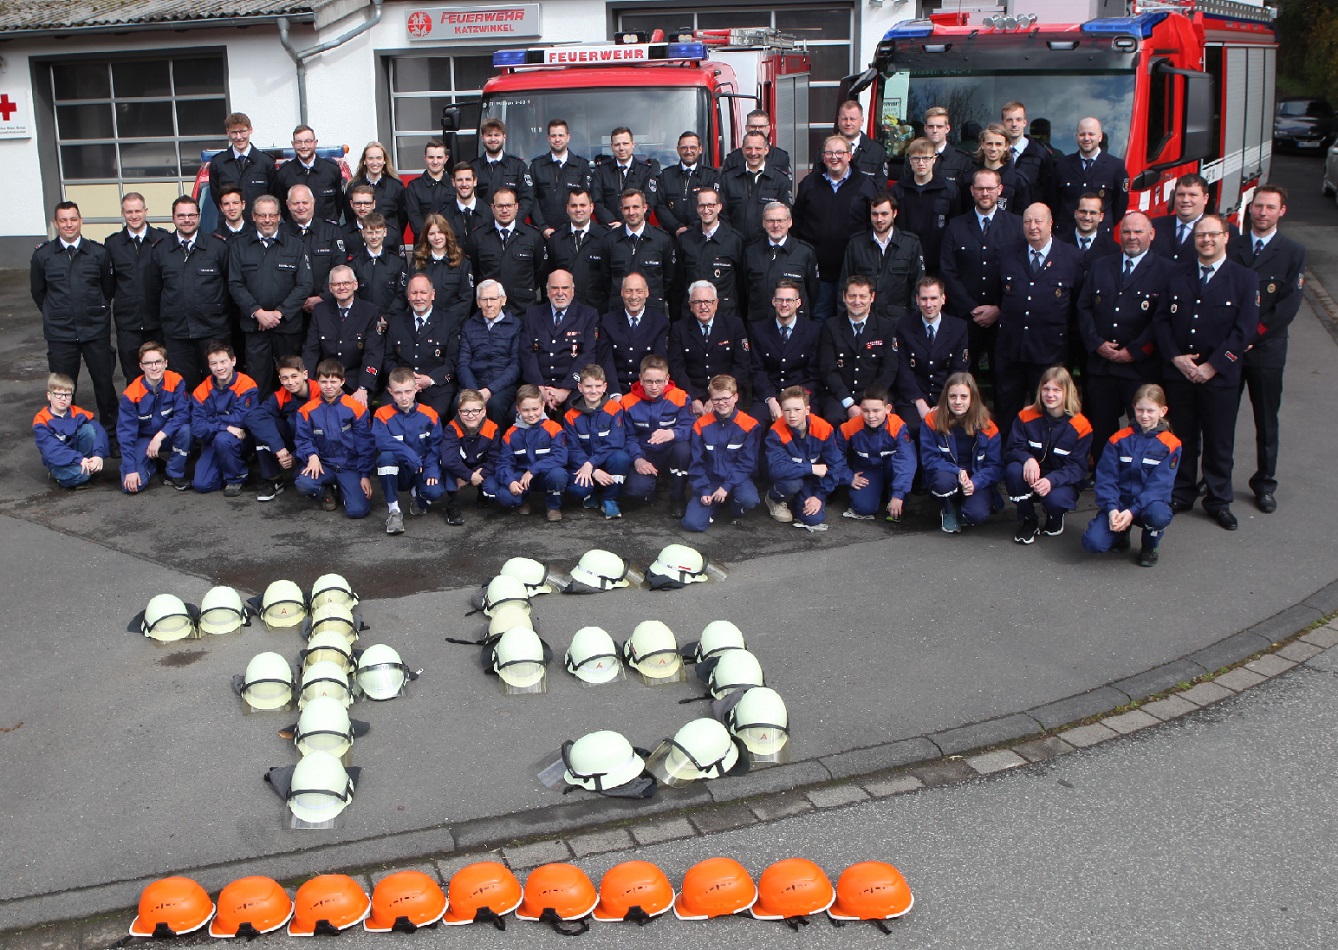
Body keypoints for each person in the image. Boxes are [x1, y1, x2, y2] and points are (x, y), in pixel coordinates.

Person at [1156, 214, 1258, 530]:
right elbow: (1161, 321)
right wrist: (1176, 358)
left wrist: (1214, 365)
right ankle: (1182, 492)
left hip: (1220, 376)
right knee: (1182, 437)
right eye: (1201, 235)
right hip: (1181, 375)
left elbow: (1245, 330)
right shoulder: (1177, 275)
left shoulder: (1244, 279)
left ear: (1226, 237)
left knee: (1219, 440)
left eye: (1213, 235)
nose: (1206, 240)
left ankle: (1217, 499)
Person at [1228, 185, 1304, 514]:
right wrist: (1234, 337)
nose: (1262, 213)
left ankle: (1264, 482)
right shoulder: (1235, 245)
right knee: (1220, 420)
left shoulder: (1292, 251)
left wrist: (1252, 335)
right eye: (1258, 206)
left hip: (1266, 350)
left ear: (1281, 212)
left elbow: (1287, 306)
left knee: (1265, 421)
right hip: (1230, 349)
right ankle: (1216, 478)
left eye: (1270, 208)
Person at [1076, 211, 1170, 467]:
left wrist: (1137, 351)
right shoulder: (1101, 265)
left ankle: (1140, 472)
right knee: (1101, 424)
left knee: (1143, 424)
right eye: (1126, 232)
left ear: (1151, 234)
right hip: (1102, 365)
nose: (1132, 237)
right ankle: (1104, 473)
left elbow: (1161, 319)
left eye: (1138, 232)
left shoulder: (1166, 270)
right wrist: (1096, 343)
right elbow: (1083, 308)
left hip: (1140, 366)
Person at [31, 201, 118, 449]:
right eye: (63, 220)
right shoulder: (43, 255)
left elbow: (107, 289)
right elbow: (39, 293)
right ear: (56, 224)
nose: (69, 224)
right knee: (63, 389)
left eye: (73, 219)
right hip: (61, 333)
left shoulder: (98, 253)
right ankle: (68, 437)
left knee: (104, 383)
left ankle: (112, 436)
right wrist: (56, 314)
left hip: (94, 331)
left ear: (80, 221)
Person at [994, 202, 1084, 429]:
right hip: (1011, 349)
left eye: (1038, 221)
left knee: (1047, 412)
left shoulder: (1071, 257)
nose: (1032, 226)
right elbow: (999, 295)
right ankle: (1007, 458)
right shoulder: (1007, 253)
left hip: (1048, 351)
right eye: (1027, 221)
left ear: (1050, 223)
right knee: (1006, 409)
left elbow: (1078, 303)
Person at [939, 168, 1024, 384]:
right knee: (964, 378)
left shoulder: (1016, 225)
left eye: (990, 188)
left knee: (1004, 379)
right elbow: (948, 271)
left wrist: (999, 307)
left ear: (1000, 190)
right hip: (966, 317)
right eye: (980, 189)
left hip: (1003, 316)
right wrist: (971, 308)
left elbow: (1021, 272)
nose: (985, 193)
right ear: (971, 191)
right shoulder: (956, 226)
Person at [1082, 383, 1180, 566]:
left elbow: (1159, 486)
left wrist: (1132, 511)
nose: (1144, 415)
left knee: (1158, 516)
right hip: (1120, 502)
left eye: (1150, 411)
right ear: (1133, 408)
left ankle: (1150, 545)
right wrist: (1112, 509)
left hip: (1149, 504)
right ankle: (1121, 533)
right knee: (1092, 543)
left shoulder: (1171, 444)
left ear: (1162, 411)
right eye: (1140, 409)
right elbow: (1106, 478)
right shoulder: (1118, 439)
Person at [228, 194, 314, 398]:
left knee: (291, 381)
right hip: (255, 328)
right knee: (258, 384)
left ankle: (293, 424)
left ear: (279, 216)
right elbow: (234, 284)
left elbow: (305, 284)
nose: (267, 220)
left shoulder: (295, 245)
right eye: (262, 215)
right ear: (253, 217)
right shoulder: (240, 246)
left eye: (272, 215)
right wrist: (257, 312)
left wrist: (279, 314)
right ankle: (261, 425)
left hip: (288, 328)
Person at [144, 196, 233, 392]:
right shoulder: (160, 250)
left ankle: (217, 422)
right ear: (173, 218)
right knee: (184, 386)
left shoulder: (217, 247)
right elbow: (153, 291)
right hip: (177, 333)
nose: (187, 220)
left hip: (213, 331)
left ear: (199, 216)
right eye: (181, 215)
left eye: (191, 215)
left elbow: (230, 288)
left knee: (218, 385)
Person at [1003, 367, 1093, 544]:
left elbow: (1077, 468)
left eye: (1057, 390)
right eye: (1046, 389)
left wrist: (1052, 480)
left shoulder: (1081, 425)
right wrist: (1027, 458)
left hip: (1060, 482)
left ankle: (1055, 515)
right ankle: (1029, 519)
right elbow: (1012, 449)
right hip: (1031, 476)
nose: (1050, 394)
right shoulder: (1026, 415)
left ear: (1067, 392)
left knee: (1056, 501)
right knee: (1013, 470)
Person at [793, 136, 878, 322]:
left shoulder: (865, 185)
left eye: (840, 153)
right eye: (829, 153)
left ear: (850, 155)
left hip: (853, 271)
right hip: (818, 272)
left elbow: (872, 225)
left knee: (850, 320)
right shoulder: (809, 184)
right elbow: (796, 222)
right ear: (823, 157)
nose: (834, 157)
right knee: (819, 319)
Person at [919, 371, 1001, 533]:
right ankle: (947, 508)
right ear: (946, 398)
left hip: (975, 477)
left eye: (964, 397)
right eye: (952, 396)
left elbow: (995, 467)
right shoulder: (931, 420)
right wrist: (957, 471)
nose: (958, 402)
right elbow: (929, 459)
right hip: (948, 474)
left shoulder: (988, 426)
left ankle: (964, 506)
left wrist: (975, 483)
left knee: (977, 515)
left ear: (972, 399)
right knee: (943, 482)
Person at [293, 359, 374, 517]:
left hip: (349, 466)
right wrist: (312, 456)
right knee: (304, 484)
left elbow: (366, 444)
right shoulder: (306, 410)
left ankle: (345, 489)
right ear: (317, 382)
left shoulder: (356, 408)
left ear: (342, 381)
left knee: (357, 511)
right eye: (323, 381)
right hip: (323, 465)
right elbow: (303, 439)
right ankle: (325, 490)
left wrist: (365, 475)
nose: (328, 386)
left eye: (333, 381)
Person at [762, 386, 850, 532]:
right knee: (792, 485)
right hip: (790, 479)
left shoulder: (823, 428)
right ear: (781, 411)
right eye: (787, 410)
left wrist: (818, 496)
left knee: (813, 519)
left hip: (812, 481)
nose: (792, 415)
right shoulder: (776, 431)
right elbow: (776, 469)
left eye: (797, 409)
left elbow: (835, 465)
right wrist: (810, 468)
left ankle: (799, 501)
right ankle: (774, 498)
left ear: (807, 410)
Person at [682, 374, 762, 531]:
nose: (721, 403)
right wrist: (703, 490)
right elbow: (697, 463)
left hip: (737, 479)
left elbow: (747, 464)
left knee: (748, 499)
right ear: (710, 400)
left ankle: (733, 508)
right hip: (710, 481)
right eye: (716, 399)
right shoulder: (701, 424)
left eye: (726, 398)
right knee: (692, 524)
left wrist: (726, 487)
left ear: (735, 397)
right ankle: (713, 504)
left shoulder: (750, 425)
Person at [893, 276, 969, 438]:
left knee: (953, 429)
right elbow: (903, 370)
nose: (929, 304)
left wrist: (943, 404)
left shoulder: (958, 328)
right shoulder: (904, 326)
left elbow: (958, 371)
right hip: (913, 398)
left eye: (934, 298)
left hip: (947, 396)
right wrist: (920, 403)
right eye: (924, 299)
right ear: (917, 300)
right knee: (912, 428)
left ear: (943, 299)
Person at [106, 193, 170, 383]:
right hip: (129, 324)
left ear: (146, 211)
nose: (134, 216)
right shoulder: (113, 244)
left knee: (162, 373)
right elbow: (107, 285)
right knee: (133, 375)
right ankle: (137, 411)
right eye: (129, 212)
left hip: (159, 321)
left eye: (138, 211)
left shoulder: (163, 240)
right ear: (123, 214)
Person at [374, 366, 445, 534]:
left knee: (435, 492)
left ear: (416, 389)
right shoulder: (382, 414)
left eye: (408, 391)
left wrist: (432, 471)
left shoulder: (429, 414)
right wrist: (408, 454)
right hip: (399, 471)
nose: (404, 397)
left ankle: (417, 495)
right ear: (390, 392)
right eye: (398, 392)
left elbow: (435, 446)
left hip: (421, 469)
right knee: (385, 458)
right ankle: (394, 511)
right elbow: (381, 441)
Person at [620, 354, 693, 517]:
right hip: (645, 453)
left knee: (684, 450)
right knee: (636, 491)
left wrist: (672, 433)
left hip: (670, 451)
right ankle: (651, 488)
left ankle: (678, 498)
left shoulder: (680, 397)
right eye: (648, 381)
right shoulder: (627, 401)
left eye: (659, 381)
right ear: (640, 378)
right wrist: (638, 460)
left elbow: (691, 428)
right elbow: (627, 437)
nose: (654, 387)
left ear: (667, 378)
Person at [520, 269, 601, 413]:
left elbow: (588, 355)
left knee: (575, 411)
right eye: (555, 288)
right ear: (546, 290)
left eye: (565, 288)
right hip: (539, 386)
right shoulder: (533, 314)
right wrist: (540, 388)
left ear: (573, 290)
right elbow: (527, 353)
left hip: (573, 385)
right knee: (518, 413)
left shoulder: (588, 315)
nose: (560, 293)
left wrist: (565, 389)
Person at [838, 192, 925, 324]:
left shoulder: (911, 244)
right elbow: (844, 286)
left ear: (894, 213)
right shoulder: (856, 244)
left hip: (900, 321)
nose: (879, 219)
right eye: (874, 214)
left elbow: (918, 287)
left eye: (884, 214)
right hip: (864, 320)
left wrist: (915, 322)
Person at [301, 265, 384, 405]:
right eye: (336, 284)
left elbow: (373, 354)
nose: (341, 287)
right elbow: (311, 350)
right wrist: (308, 384)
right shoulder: (320, 311)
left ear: (355, 285)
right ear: (330, 288)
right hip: (325, 381)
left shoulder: (370, 312)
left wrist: (363, 388)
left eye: (346, 283)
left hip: (355, 382)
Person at [383, 274, 461, 418]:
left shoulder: (448, 322)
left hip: (436, 387)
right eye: (414, 293)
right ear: (408, 296)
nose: (418, 298)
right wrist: (405, 380)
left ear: (433, 294)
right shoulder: (397, 322)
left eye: (423, 292)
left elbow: (453, 361)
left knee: (435, 415)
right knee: (387, 413)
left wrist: (430, 380)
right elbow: (388, 359)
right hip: (401, 386)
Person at [117, 341, 191, 494]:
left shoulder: (176, 381)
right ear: (141, 366)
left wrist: (159, 437)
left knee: (186, 430)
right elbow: (126, 434)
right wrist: (131, 469)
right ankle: (153, 465)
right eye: (148, 363)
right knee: (132, 486)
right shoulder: (131, 394)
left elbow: (183, 414)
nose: (154, 367)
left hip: (166, 436)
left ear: (165, 363)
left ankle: (173, 473)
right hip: (143, 440)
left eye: (158, 362)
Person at [669, 281, 753, 415]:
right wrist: (693, 398)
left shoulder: (734, 325)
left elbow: (742, 365)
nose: (703, 306)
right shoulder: (679, 329)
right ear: (690, 306)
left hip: (728, 395)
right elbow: (676, 368)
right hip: (692, 394)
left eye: (708, 301)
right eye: (697, 302)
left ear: (716, 303)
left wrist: (718, 398)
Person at [838, 385, 917, 522]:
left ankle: (893, 494)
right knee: (862, 508)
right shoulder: (850, 427)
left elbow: (907, 461)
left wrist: (898, 495)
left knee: (897, 510)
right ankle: (876, 493)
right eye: (866, 411)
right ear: (860, 409)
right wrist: (848, 476)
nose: (871, 416)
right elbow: (835, 454)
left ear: (887, 409)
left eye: (876, 410)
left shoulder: (897, 426)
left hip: (892, 469)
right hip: (868, 469)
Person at [244, 354, 317, 502]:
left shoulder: (319, 393)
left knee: (302, 481)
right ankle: (273, 479)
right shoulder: (281, 395)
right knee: (264, 427)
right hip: (292, 441)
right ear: (280, 379)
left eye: (294, 376)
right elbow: (253, 416)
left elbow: (324, 434)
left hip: (315, 445)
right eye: (285, 378)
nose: (290, 382)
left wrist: (295, 456)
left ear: (305, 374)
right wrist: (279, 449)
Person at [563, 364, 631, 519]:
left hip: (606, 462)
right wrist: (591, 469)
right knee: (578, 490)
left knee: (621, 457)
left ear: (605, 386)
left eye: (598, 386)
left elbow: (615, 443)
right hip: (582, 465)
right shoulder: (570, 415)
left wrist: (591, 464)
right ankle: (590, 492)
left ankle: (609, 498)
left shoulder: (615, 409)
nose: (593, 391)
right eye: (588, 386)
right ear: (580, 387)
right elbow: (572, 449)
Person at [190, 342, 258, 495]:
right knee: (202, 485)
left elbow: (241, 419)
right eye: (214, 363)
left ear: (233, 361)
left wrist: (212, 420)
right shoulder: (201, 391)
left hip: (242, 438)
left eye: (223, 361)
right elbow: (197, 428)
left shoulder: (247, 385)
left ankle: (237, 477)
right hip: (214, 438)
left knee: (223, 439)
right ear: (209, 365)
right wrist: (224, 426)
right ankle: (227, 467)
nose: (219, 367)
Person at [495, 384, 569, 521]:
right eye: (525, 410)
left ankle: (553, 506)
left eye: (535, 409)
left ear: (543, 406)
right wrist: (510, 481)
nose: (531, 414)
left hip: (544, 475)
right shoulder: (510, 434)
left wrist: (533, 470)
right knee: (504, 496)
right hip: (522, 478)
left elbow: (561, 456)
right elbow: (503, 463)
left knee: (558, 474)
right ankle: (523, 501)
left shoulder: (554, 428)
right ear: (518, 409)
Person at [750, 279, 821, 421]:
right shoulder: (759, 330)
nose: (784, 304)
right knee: (755, 422)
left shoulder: (813, 330)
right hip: (770, 395)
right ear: (773, 302)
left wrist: (794, 404)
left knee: (812, 423)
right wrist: (771, 400)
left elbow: (814, 374)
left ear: (798, 303)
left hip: (802, 396)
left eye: (789, 300)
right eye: (780, 300)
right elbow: (757, 370)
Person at [468, 187, 546, 313]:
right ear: (492, 208)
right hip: (490, 311)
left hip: (522, 309)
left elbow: (539, 272)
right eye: (500, 206)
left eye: (509, 205)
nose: (504, 210)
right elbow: (474, 272)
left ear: (516, 207)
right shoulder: (478, 237)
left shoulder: (533, 236)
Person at [602, 189, 676, 315]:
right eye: (626, 208)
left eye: (635, 207)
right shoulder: (610, 241)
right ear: (621, 210)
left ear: (645, 207)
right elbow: (605, 278)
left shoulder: (662, 240)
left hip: (653, 312)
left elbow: (669, 279)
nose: (631, 212)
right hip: (619, 312)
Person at [742, 201, 820, 322]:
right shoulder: (751, 252)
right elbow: (745, 290)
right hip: (760, 325)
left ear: (790, 222)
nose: (776, 225)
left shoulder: (805, 252)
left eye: (780, 220)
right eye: (770, 221)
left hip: (796, 326)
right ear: (763, 223)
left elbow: (813, 292)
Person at [458, 279, 522, 423]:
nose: (489, 304)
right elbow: (463, 363)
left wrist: (490, 390)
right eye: (484, 299)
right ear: (478, 302)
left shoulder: (516, 325)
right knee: (459, 403)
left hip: (502, 386)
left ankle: (496, 444)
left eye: (493, 299)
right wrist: (474, 392)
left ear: (503, 300)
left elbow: (516, 365)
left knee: (495, 405)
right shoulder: (469, 326)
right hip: (474, 383)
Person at [676, 185, 744, 319]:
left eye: (710, 205)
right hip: (692, 316)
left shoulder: (735, 240)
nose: (706, 210)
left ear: (719, 207)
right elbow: (678, 282)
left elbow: (741, 284)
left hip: (725, 315)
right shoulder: (685, 240)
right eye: (702, 206)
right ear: (697, 208)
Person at [1051, 117, 1128, 236]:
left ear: (1100, 137)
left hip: (1100, 235)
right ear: (1076, 137)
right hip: (1066, 235)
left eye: (1091, 134)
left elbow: (1120, 206)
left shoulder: (1115, 166)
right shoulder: (1062, 165)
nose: (1086, 138)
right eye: (1082, 134)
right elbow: (1053, 201)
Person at [33, 372, 108, 489]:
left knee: (89, 429)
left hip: (80, 458)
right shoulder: (41, 420)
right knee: (83, 475)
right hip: (58, 462)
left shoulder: (77, 412)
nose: (63, 398)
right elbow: (52, 450)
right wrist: (79, 459)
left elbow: (100, 431)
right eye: (58, 394)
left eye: (67, 395)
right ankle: (62, 476)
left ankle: (87, 467)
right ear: (49, 395)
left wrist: (98, 455)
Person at [599, 272, 669, 396]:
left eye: (639, 291)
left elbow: (658, 363)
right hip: (616, 390)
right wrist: (615, 393)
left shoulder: (659, 322)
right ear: (621, 293)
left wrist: (643, 394)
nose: (634, 296)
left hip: (646, 392)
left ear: (647, 292)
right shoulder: (608, 321)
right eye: (628, 291)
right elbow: (606, 361)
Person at [283, 184, 345, 319]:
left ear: (313, 202)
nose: (301, 207)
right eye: (296, 203)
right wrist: (295, 301)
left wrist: (323, 297)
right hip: (289, 312)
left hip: (327, 307)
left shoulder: (331, 231)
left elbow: (339, 266)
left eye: (305, 202)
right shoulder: (280, 233)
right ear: (288, 204)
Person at [719, 131, 793, 243]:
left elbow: (785, 214)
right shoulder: (727, 178)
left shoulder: (780, 180)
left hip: (766, 247)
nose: (753, 153)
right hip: (735, 245)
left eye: (758, 148)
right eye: (749, 148)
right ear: (742, 149)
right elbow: (721, 214)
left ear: (766, 150)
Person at [440, 388, 501, 524]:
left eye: (475, 410)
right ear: (459, 412)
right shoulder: (451, 428)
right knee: (448, 468)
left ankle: (483, 493)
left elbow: (495, 458)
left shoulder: (492, 428)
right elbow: (448, 460)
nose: (470, 415)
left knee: (492, 486)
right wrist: (469, 476)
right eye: (465, 411)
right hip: (459, 467)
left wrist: (477, 475)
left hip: (480, 467)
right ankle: (453, 503)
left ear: (484, 411)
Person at [545, 187, 608, 310]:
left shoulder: (605, 238)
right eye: (574, 206)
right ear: (567, 208)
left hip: (596, 310)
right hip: (564, 311)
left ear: (591, 207)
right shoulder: (555, 240)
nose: (578, 210)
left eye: (582, 205)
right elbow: (546, 276)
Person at [207, 113, 276, 223]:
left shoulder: (266, 162)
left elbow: (273, 198)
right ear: (228, 132)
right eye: (234, 132)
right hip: (229, 230)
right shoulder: (218, 163)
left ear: (250, 130)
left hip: (258, 228)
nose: (239, 137)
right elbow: (217, 197)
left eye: (242, 131)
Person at [529, 118, 592, 238]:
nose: (557, 139)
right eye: (553, 136)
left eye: (561, 135)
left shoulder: (582, 166)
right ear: (548, 138)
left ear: (568, 137)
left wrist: (572, 228)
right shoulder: (536, 166)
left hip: (573, 234)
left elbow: (586, 201)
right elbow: (532, 200)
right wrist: (543, 228)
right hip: (544, 234)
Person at [408, 213, 474, 325]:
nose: (437, 237)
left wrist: (445, 321)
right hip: (423, 324)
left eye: (440, 232)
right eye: (432, 234)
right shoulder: (417, 263)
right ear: (426, 237)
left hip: (452, 326)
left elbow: (466, 298)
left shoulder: (462, 263)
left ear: (447, 234)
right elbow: (409, 293)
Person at [274, 125, 346, 224]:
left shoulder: (331, 169)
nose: (303, 146)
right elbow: (283, 207)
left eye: (307, 141)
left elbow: (339, 204)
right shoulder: (284, 173)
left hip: (327, 233)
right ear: (293, 144)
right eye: (299, 142)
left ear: (315, 143)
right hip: (297, 234)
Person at [590, 127, 662, 227]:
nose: (621, 148)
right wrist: (612, 223)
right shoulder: (601, 171)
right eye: (617, 144)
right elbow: (596, 201)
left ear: (633, 144)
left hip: (636, 230)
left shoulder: (646, 171)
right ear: (611, 146)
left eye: (625, 143)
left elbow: (648, 203)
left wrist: (625, 224)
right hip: (607, 230)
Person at [471, 117, 535, 223]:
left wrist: (512, 222)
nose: (493, 139)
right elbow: (471, 199)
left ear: (504, 137)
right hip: (483, 229)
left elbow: (527, 199)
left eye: (497, 135)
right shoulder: (473, 168)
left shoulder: (518, 167)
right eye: (489, 135)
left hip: (513, 229)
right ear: (482, 138)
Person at [656, 131, 720, 237]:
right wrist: (676, 227)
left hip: (701, 236)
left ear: (700, 149)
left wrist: (690, 228)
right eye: (684, 148)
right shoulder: (666, 175)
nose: (688, 151)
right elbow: (660, 205)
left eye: (693, 147)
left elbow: (714, 206)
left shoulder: (711, 176)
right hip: (672, 236)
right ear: (678, 150)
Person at [347, 211, 408, 320]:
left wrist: (388, 318)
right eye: (370, 232)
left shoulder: (398, 263)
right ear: (363, 233)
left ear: (385, 232)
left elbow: (402, 295)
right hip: (363, 321)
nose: (374, 237)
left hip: (392, 323)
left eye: (377, 232)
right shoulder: (354, 264)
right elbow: (352, 295)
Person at [962, 124, 1031, 214]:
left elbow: (1022, 218)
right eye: (989, 143)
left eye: (998, 144)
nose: (993, 148)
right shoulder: (968, 178)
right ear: (982, 144)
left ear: (1006, 146)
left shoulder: (1018, 181)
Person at [1151, 173, 1216, 265]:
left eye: (1192, 195)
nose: (1185, 200)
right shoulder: (1155, 227)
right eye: (1181, 194)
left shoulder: (1219, 231)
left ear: (1205, 198)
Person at [347, 141, 406, 237]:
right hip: (360, 240)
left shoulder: (396, 186)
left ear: (384, 160)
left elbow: (402, 218)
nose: (375, 163)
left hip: (390, 240)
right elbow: (349, 216)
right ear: (364, 161)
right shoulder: (353, 187)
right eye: (370, 158)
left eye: (379, 158)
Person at [1000, 101, 1053, 199]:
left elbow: (1048, 190)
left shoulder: (1040, 153)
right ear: (1003, 123)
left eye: (1018, 119)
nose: (1014, 124)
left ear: (1025, 122)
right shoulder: (996, 151)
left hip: (1029, 211)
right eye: (1009, 120)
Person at [405, 139, 454, 239]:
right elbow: (414, 220)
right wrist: (431, 237)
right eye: (431, 157)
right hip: (423, 245)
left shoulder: (454, 185)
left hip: (451, 244)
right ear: (425, 158)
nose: (435, 161)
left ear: (446, 158)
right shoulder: (414, 187)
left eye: (439, 157)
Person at [834, 100, 889, 189]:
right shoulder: (826, 150)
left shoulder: (877, 152)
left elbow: (881, 190)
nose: (848, 123)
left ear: (862, 121)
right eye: (844, 119)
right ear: (838, 120)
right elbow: (816, 185)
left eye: (853, 119)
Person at [721, 110, 792, 176]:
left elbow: (786, 185)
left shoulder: (781, 157)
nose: (757, 130)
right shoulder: (732, 159)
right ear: (746, 128)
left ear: (768, 129)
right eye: (753, 126)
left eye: (761, 127)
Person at [1056, 193, 1118, 263]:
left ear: (1101, 217)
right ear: (1075, 214)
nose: (1087, 218)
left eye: (1093, 213)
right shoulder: (1057, 244)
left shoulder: (1112, 249)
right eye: (1083, 212)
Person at [920, 106, 974, 188]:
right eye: (931, 126)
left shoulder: (962, 160)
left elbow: (966, 195)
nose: (935, 130)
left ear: (947, 128)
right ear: (925, 128)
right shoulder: (915, 158)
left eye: (939, 126)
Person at [344, 185, 402, 255]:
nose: (362, 208)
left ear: (374, 204)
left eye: (367, 203)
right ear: (351, 204)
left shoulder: (392, 233)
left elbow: (400, 263)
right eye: (358, 203)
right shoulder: (343, 234)